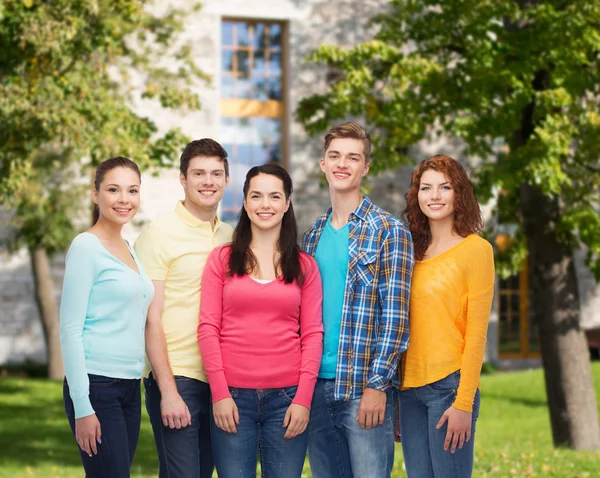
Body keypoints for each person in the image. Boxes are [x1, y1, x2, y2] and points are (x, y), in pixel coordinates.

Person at [302, 122, 414, 478]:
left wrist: (378, 386)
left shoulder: (388, 230)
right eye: (334, 156)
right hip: (315, 389)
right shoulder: (312, 235)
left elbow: (396, 317)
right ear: (323, 164)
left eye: (353, 158)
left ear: (365, 167)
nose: (342, 164)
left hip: (361, 388)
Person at [198, 163, 324, 478]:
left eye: (273, 196)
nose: (264, 205)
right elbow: (208, 329)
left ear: (286, 203)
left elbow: (312, 335)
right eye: (256, 196)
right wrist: (220, 393)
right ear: (244, 202)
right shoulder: (222, 260)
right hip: (233, 398)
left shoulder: (306, 266)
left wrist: (303, 400)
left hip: (287, 400)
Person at [134, 139, 234, 478]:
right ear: (183, 179)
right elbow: (150, 318)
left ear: (226, 180)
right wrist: (168, 391)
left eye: (216, 173)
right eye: (199, 173)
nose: (208, 181)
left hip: (222, 379)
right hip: (178, 375)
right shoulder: (158, 235)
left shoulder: (233, 237)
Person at [398, 155, 495, 478]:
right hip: (408, 390)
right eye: (426, 188)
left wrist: (464, 403)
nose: (435, 196)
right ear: (417, 196)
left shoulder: (476, 250)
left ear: (459, 194)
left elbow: (477, 333)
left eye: (445, 187)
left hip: (449, 389)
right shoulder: (409, 251)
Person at [60, 157, 154, 478]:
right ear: (96, 195)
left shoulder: (128, 247)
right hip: (97, 386)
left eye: (132, 190)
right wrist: (83, 406)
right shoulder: (86, 246)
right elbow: (70, 329)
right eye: (113, 190)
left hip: (129, 386)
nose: (124, 199)